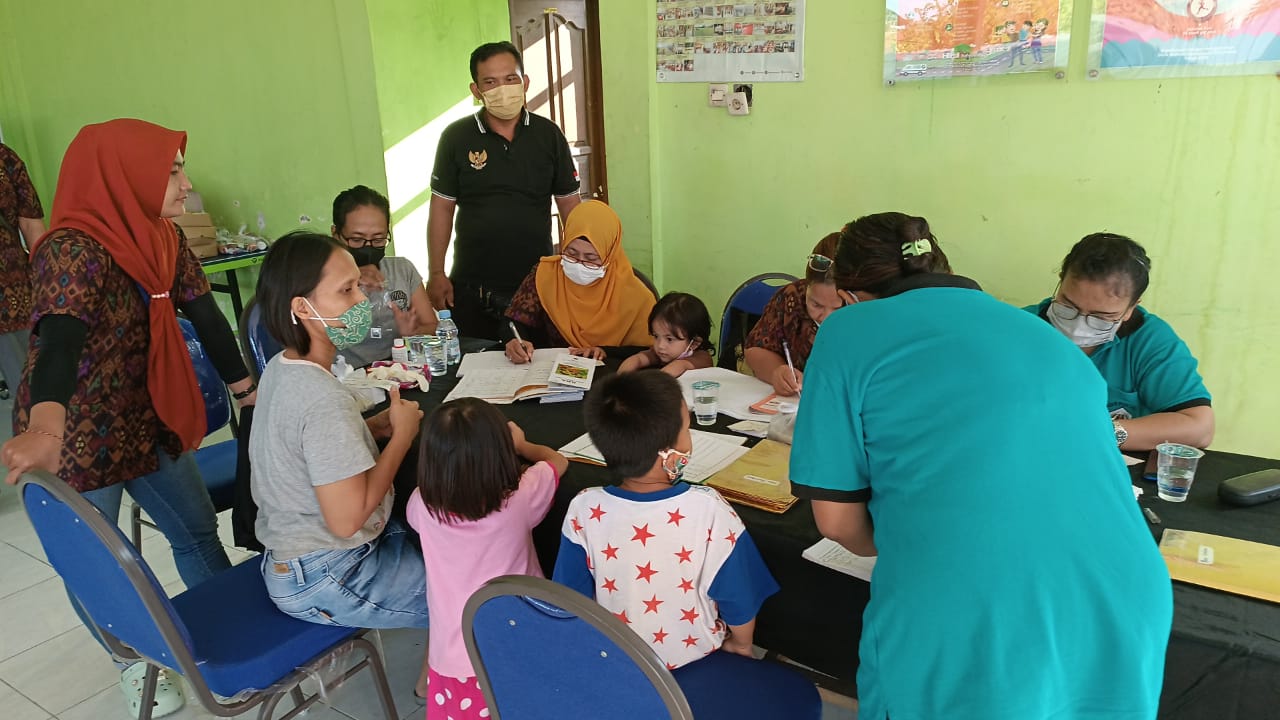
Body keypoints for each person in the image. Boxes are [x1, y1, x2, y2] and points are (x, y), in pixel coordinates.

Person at [790, 212, 1172, 720]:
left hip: (979, 610)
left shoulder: (849, 328)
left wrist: (910, 536)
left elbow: (838, 522)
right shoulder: (1035, 331)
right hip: (1126, 595)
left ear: (850, 294)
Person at [0, 119, 257, 718]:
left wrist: (248, 390)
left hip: (147, 417)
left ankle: (224, 642)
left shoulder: (162, 236)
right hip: (75, 433)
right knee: (94, 563)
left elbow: (206, 314)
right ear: (125, 175)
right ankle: (131, 662)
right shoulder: (71, 248)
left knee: (196, 532)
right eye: (172, 172)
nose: (185, 184)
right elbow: (59, 343)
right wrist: (46, 429)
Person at [248, 231, 433, 696]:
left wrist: (369, 429)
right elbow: (348, 519)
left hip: (295, 558)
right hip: (329, 573)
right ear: (302, 308)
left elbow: (305, 449)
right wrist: (401, 438)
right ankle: (441, 686)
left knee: (444, 537)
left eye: (358, 287)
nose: (362, 301)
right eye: (346, 291)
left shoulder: (281, 367)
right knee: (473, 586)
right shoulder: (322, 398)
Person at [553, 371, 780, 671]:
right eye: (686, 429)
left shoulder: (583, 507)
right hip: (696, 660)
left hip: (616, 659)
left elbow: (570, 598)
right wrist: (741, 645)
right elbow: (738, 597)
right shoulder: (709, 509)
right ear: (667, 453)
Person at [406, 398, 568, 719]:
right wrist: (523, 445)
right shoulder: (521, 496)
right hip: (520, 640)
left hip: (453, 653)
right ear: (499, 453)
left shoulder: (421, 504)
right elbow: (557, 461)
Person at [427, 40, 582, 340]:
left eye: (511, 78)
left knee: (538, 360)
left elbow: (570, 205)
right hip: (472, 286)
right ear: (476, 90)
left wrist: (576, 267)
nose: (503, 89)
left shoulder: (548, 135)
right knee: (476, 362)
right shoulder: (456, 137)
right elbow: (441, 208)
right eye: (490, 82)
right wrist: (436, 273)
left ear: (525, 82)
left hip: (536, 285)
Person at [1029, 232, 1213, 451]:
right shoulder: (1019, 327)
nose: (1078, 326)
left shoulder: (1149, 339)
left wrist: (1104, 433)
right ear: (1061, 281)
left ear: (1130, 308)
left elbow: (1200, 428)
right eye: (1068, 306)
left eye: (1101, 317)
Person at [503, 200, 655, 362]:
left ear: (609, 255)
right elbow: (513, 320)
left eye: (591, 258)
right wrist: (513, 341)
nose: (579, 263)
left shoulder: (637, 296)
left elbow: (651, 351)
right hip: (551, 369)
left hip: (612, 371)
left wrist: (605, 351)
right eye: (571, 253)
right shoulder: (546, 274)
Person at [330, 184, 437, 366]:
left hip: (399, 370)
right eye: (356, 239)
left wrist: (412, 334)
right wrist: (351, 279)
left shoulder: (402, 270)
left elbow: (431, 326)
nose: (368, 246)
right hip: (347, 374)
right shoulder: (321, 278)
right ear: (335, 234)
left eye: (378, 239)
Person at [744, 232, 851, 395]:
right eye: (816, 304)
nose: (826, 318)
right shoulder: (791, 298)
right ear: (807, 286)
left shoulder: (869, 311)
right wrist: (778, 372)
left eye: (838, 308)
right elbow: (754, 349)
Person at [0, 142, 47, 399]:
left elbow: (32, 226)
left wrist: (47, 279)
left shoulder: (5, 158)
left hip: (9, 292)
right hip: (10, 293)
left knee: (27, 386)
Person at [618, 291, 715, 377]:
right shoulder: (663, 353)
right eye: (656, 336)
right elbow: (637, 359)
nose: (660, 345)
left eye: (669, 339)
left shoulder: (702, 358)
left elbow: (677, 367)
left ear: (694, 343)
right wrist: (620, 380)